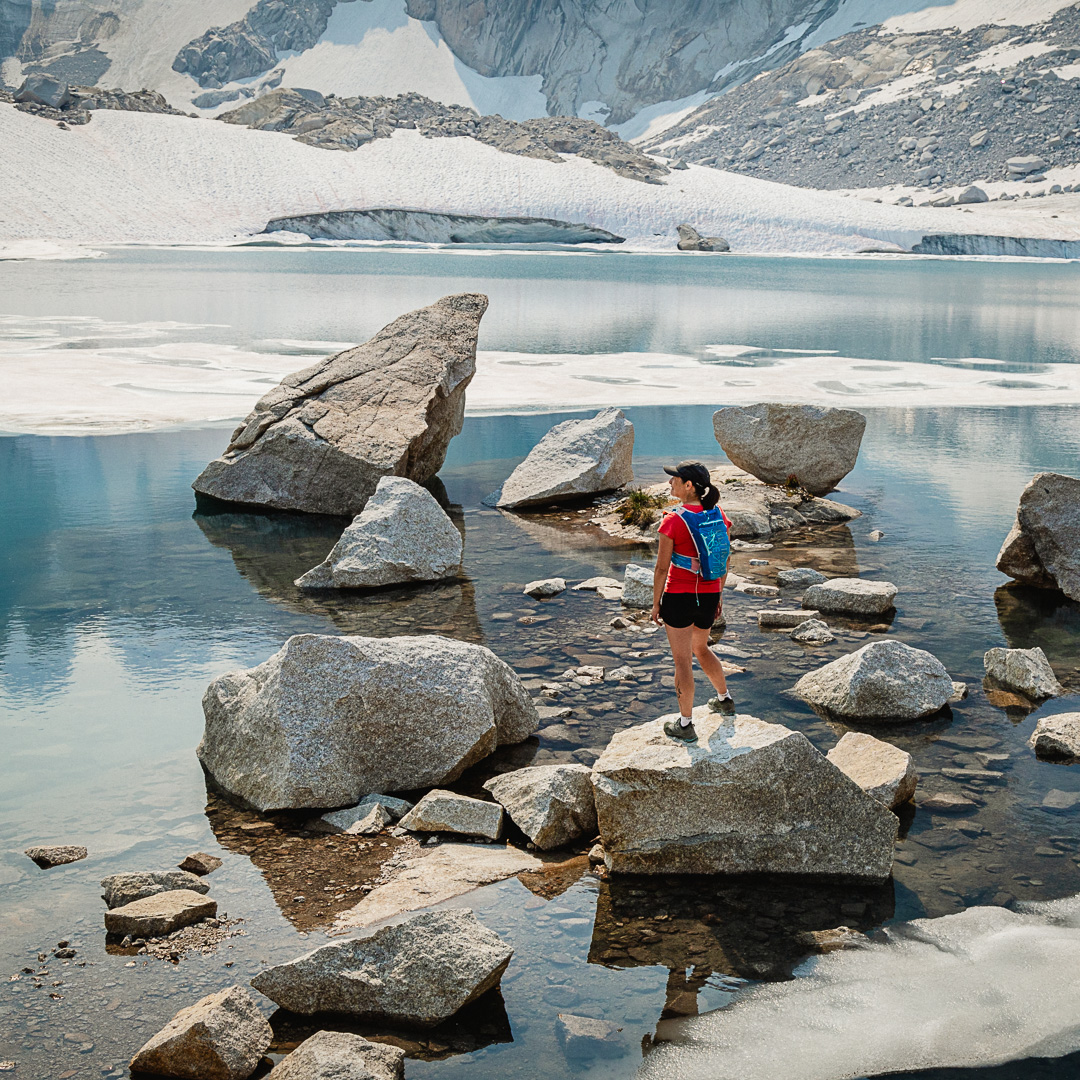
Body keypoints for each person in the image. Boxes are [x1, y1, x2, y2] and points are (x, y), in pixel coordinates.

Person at [650, 461, 735, 742]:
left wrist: (655, 604)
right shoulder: (718, 514)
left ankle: (685, 725)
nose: (669, 483)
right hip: (709, 596)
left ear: (689, 486)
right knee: (701, 648)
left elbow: (662, 568)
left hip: (679, 596)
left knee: (682, 661)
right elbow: (725, 559)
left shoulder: (673, 520)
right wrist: (719, 594)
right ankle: (724, 699)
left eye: (674, 480)